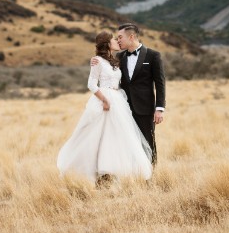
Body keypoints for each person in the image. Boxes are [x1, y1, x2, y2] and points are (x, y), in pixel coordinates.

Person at [57, 30, 152, 184]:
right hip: (105, 101)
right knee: (97, 135)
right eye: (114, 39)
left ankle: (115, 171)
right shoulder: (98, 61)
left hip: (118, 100)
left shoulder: (114, 60)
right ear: (107, 43)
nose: (117, 41)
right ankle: (95, 170)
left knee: (118, 135)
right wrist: (105, 100)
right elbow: (91, 84)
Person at [92, 22, 166, 165]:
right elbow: (105, 67)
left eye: (120, 37)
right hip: (123, 109)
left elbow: (160, 83)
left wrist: (160, 109)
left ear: (131, 37)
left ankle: (150, 176)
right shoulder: (119, 57)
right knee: (125, 144)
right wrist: (96, 60)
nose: (118, 40)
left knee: (148, 142)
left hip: (145, 109)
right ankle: (131, 176)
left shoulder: (153, 56)